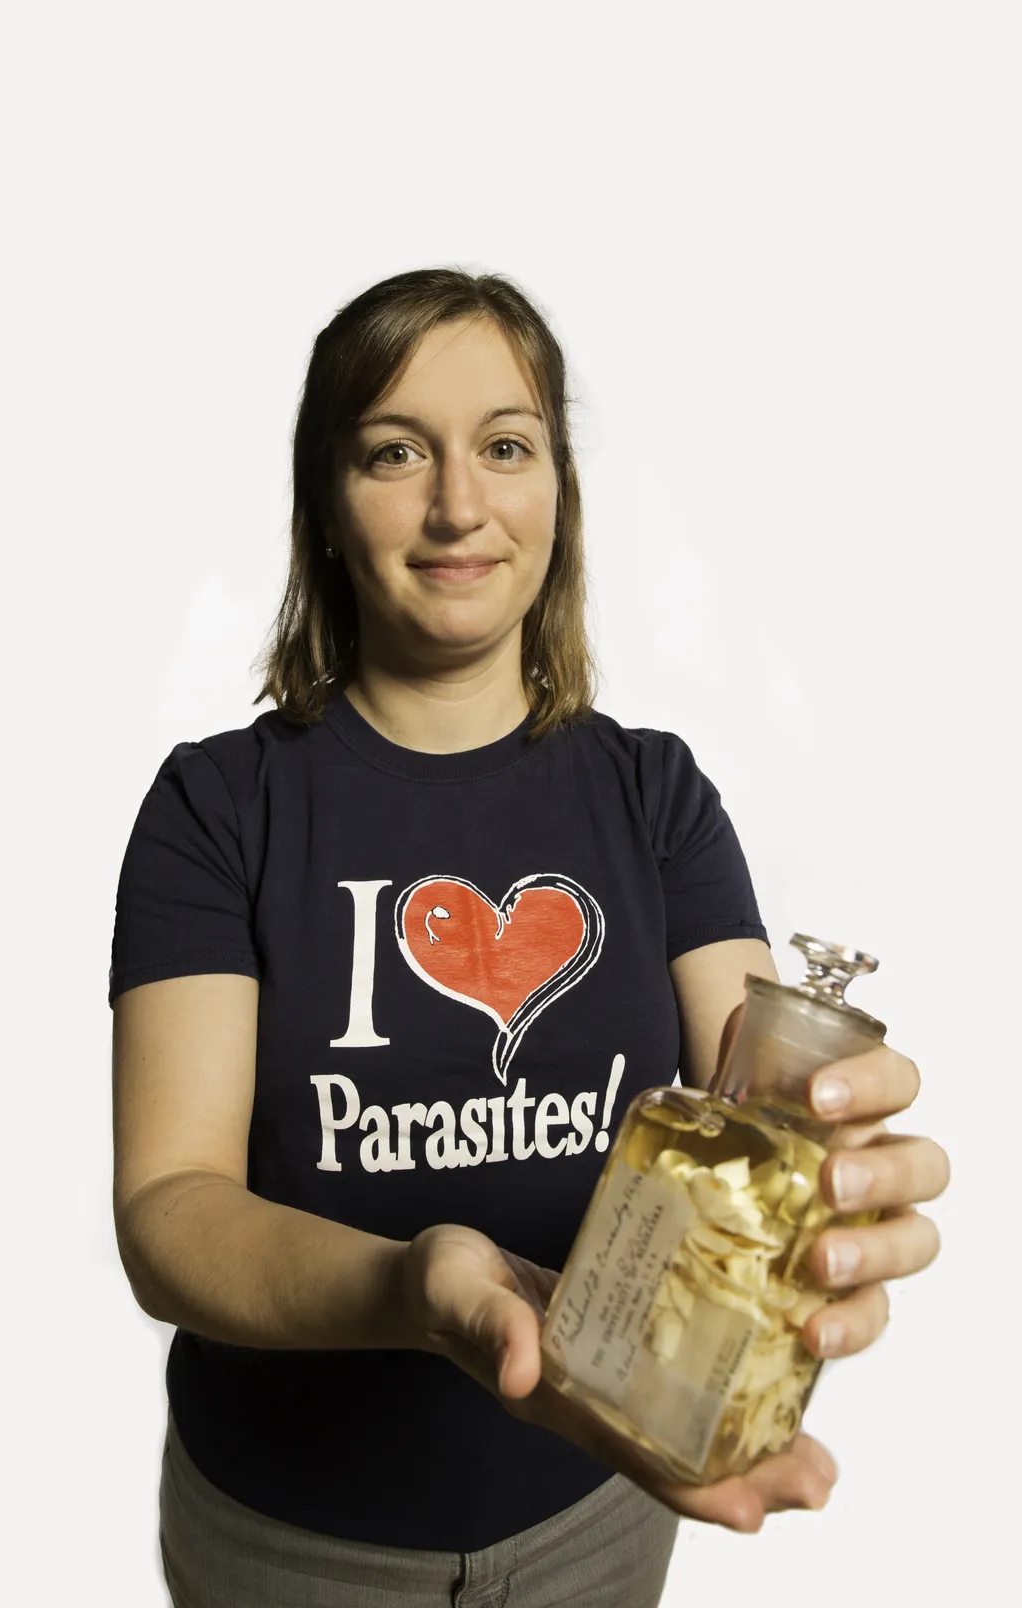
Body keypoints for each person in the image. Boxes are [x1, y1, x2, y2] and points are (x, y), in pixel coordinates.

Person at [109, 267, 950, 1608]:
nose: (458, 504)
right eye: (397, 453)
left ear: (558, 492)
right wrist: (417, 1287)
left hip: (596, 1517)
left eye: (507, 446)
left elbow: (754, 1119)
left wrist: (827, 1164)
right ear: (327, 504)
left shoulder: (653, 796)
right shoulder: (222, 808)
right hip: (291, 1539)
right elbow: (170, 1213)